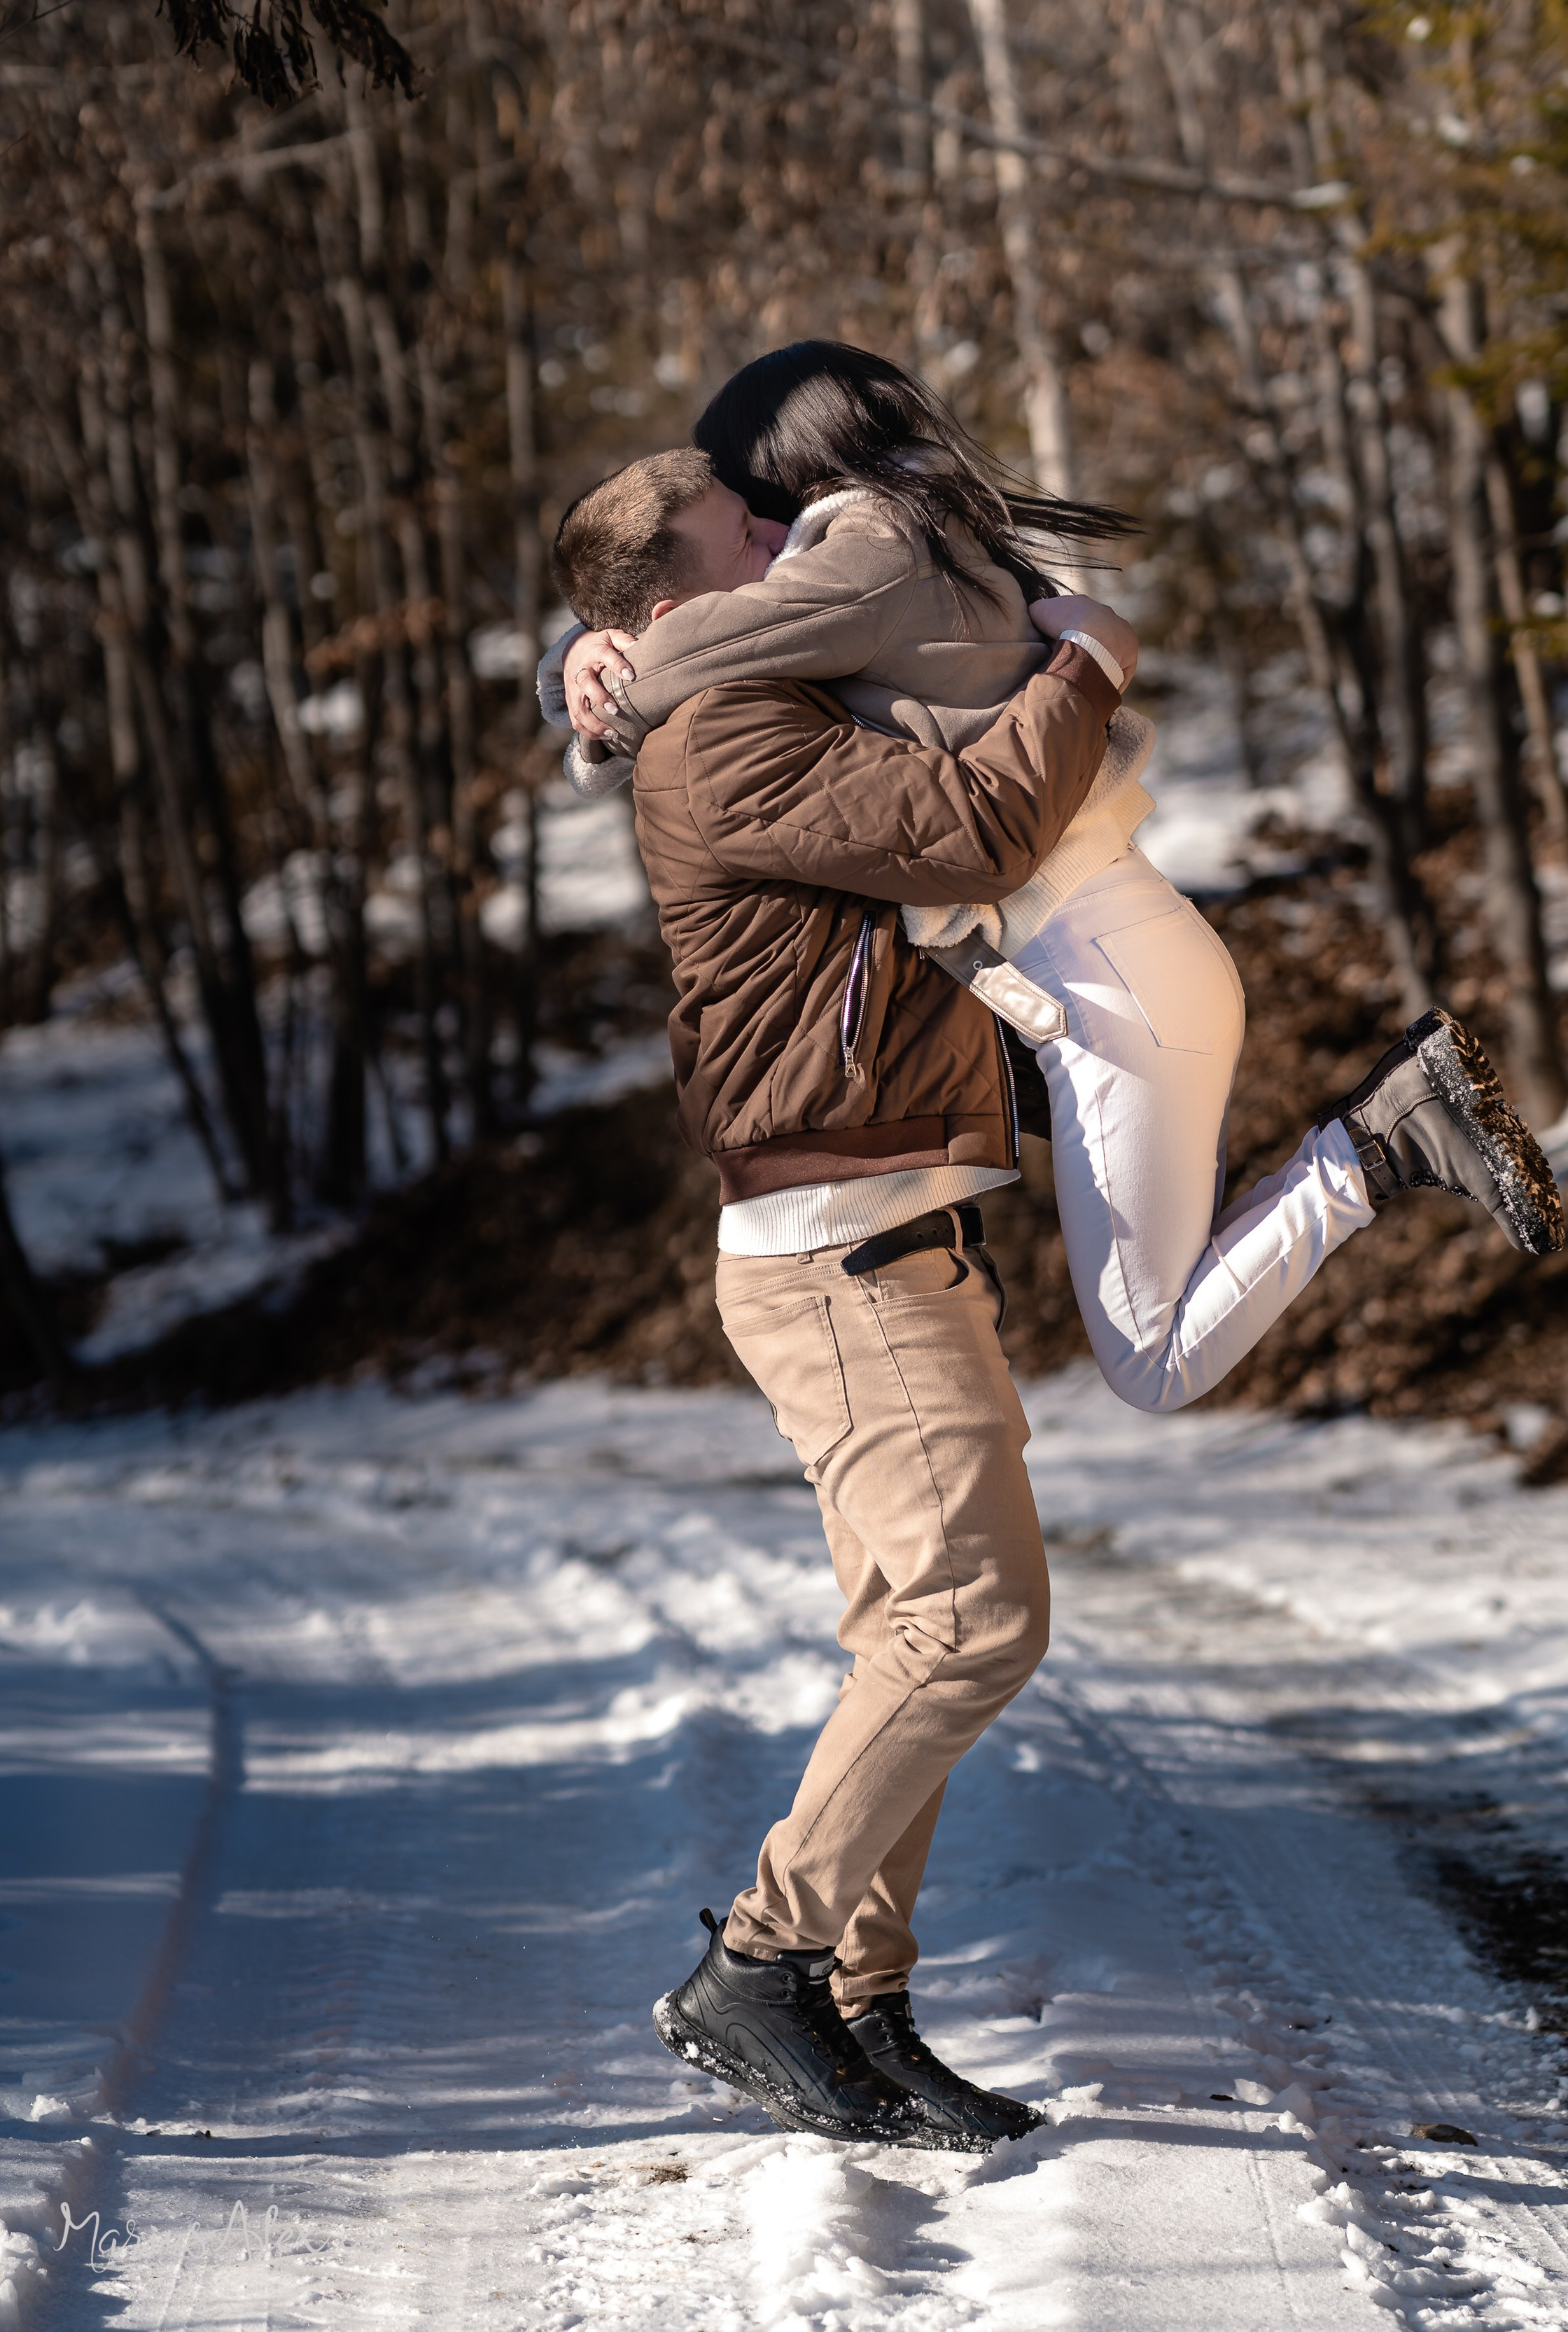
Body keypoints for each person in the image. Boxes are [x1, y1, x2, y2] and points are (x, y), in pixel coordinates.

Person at [542, 343, 1564, 1423]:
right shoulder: (898, 535)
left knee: (1154, 1364)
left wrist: (593, 681)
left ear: (785, 472)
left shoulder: (861, 551)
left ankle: (1387, 1133)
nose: (760, 531)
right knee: (1168, 1311)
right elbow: (690, 619)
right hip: (1115, 966)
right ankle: (1377, 1140)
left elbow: (690, 642)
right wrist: (581, 647)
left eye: (754, 507)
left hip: (1110, 982)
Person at [570, 470, 1135, 2149]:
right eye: (744, 539)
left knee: (909, 1634)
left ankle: (857, 2001)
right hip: (838, 1248)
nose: (782, 546)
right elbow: (970, 828)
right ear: (671, 610)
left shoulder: (746, 694)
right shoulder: (721, 734)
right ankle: (762, 1963)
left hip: (874, 1232)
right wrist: (1086, 667)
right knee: (972, 1625)